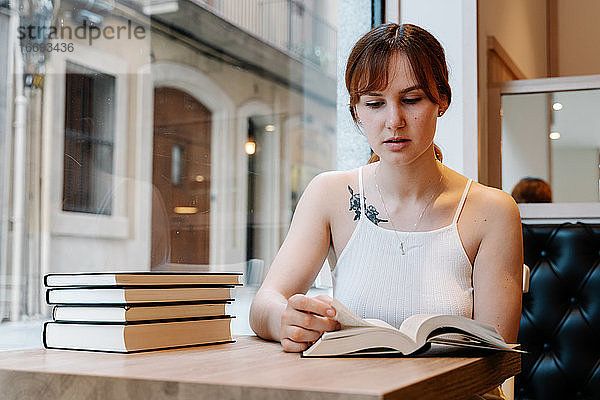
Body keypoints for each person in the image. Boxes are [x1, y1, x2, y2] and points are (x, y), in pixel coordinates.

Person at [249, 24, 523, 396]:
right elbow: (264, 304)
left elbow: (496, 354)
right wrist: (288, 319)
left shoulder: (492, 210)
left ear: (441, 100)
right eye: (375, 104)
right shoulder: (330, 194)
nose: (393, 120)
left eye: (411, 100)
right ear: (356, 112)